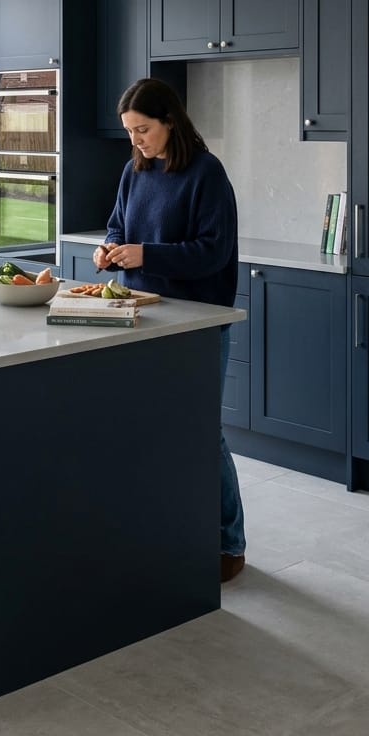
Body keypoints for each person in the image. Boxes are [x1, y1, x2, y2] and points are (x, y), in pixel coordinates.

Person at [92, 77, 246, 582]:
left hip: (197, 320)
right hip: (142, 313)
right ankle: (166, 533)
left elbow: (213, 253)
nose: (136, 140)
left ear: (170, 122)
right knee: (148, 430)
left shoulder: (207, 174)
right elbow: (118, 226)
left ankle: (229, 544)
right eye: (130, 132)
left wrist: (147, 253)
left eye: (143, 130)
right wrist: (109, 249)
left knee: (202, 433)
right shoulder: (134, 171)